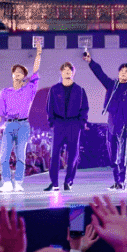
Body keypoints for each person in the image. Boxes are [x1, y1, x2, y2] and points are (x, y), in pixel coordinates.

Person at [83, 50, 127, 191]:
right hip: (112, 123)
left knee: (122, 157)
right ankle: (116, 182)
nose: (123, 73)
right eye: (121, 71)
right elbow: (100, 74)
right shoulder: (112, 86)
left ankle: (123, 182)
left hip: (125, 126)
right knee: (112, 156)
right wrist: (90, 62)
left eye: (126, 72)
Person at [0, 42, 43, 192]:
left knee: (20, 154)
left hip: (23, 125)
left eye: (20, 72)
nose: (17, 74)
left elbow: (35, 71)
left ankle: (18, 183)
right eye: (15, 72)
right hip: (9, 124)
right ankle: (7, 182)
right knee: (4, 155)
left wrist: (38, 53)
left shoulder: (29, 89)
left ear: (24, 76)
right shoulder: (5, 92)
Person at [45, 61, 89, 192]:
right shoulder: (54, 89)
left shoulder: (79, 90)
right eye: (64, 70)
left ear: (73, 73)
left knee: (73, 155)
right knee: (55, 154)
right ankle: (54, 183)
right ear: (61, 72)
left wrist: (81, 123)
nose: (67, 72)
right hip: (59, 124)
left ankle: (68, 181)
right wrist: (52, 122)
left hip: (74, 124)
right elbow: (49, 107)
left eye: (69, 70)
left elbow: (84, 108)